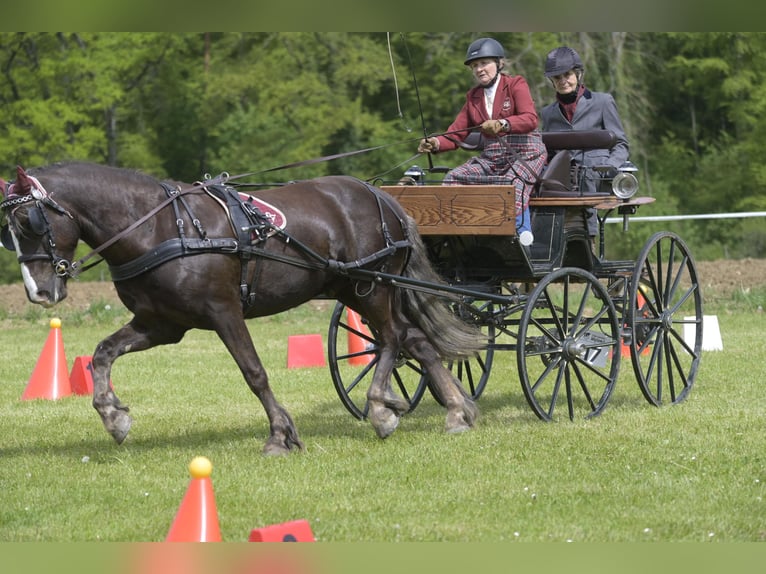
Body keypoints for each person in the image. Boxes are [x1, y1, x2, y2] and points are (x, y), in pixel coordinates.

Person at [418, 37, 546, 246]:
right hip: (493, 156)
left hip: (525, 153)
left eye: (484, 63)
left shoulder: (515, 84)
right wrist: (435, 143)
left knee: (511, 187)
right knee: (453, 178)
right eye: (475, 66)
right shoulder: (473, 97)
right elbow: (456, 134)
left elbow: (530, 118)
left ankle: (521, 241)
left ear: (499, 63)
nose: (479, 69)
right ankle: (458, 239)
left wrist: (503, 124)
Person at [540, 46, 630, 240]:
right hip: (563, 178)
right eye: (557, 78)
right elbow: (548, 153)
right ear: (552, 81)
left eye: (567, 75)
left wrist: (609, 166)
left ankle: (590, 240)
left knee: (586, 180)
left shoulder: (603, 102)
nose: (563, 81)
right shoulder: (548, 113)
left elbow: (621, 144)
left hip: (595, 175)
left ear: (578, 74)